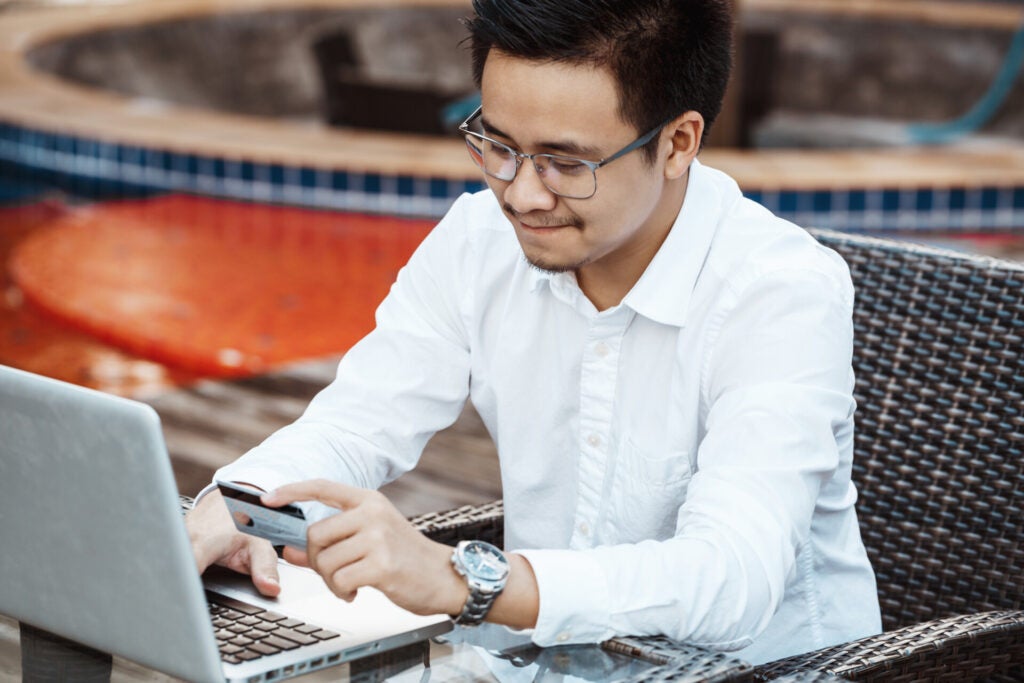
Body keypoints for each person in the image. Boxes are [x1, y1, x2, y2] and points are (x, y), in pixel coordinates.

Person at [187, 0, 881, 664]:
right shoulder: (476, 241)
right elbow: (356, 422)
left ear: (677, 143)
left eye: (566, 163)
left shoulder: (779, 292)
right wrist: (238, 502)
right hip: (541, 663)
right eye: (498, 143)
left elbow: (731, 576)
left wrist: (466, 579)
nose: (521, 193)